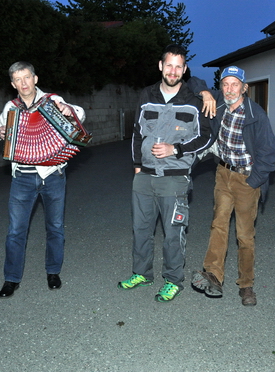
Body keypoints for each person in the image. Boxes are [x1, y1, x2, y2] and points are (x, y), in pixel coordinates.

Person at [117, 44, 212, 302]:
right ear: (161, 66)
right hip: (144, 176)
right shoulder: (146, 94)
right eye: (168, 65)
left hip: (175, 177)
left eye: (178, 66)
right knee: (141, 229)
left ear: (185, 69)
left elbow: (207, 137)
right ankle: (142, 273)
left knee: (173, 233)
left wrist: (176, 149)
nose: (173, 70)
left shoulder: (195, 100)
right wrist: (138, 166)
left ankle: (173, 280)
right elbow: (137, 132)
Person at [0, 61, 86, 298]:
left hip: (52, 174)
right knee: (15, 231)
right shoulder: (11, 108)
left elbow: (80, 113)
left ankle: (53, 272)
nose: (23, 83)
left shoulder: (52, 101)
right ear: (13, 84)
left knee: (55, 227)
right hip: (22, 177)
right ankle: (11, 279)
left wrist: (67, 108)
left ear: (35, 78)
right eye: (18, 80)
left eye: (27, 77)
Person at [188, 66, 275, 306]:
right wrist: (206, 93)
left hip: (246, 179)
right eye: (225, 84)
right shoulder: (218, 101)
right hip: (223, 174)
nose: (229, 89)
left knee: (245, 236)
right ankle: (214, 276)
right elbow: (193, 81)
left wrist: (254, 181)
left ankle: (246, 286)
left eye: (234, 84)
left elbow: (269, 152)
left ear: (244, 88)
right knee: (218, 224)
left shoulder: (255, 114)